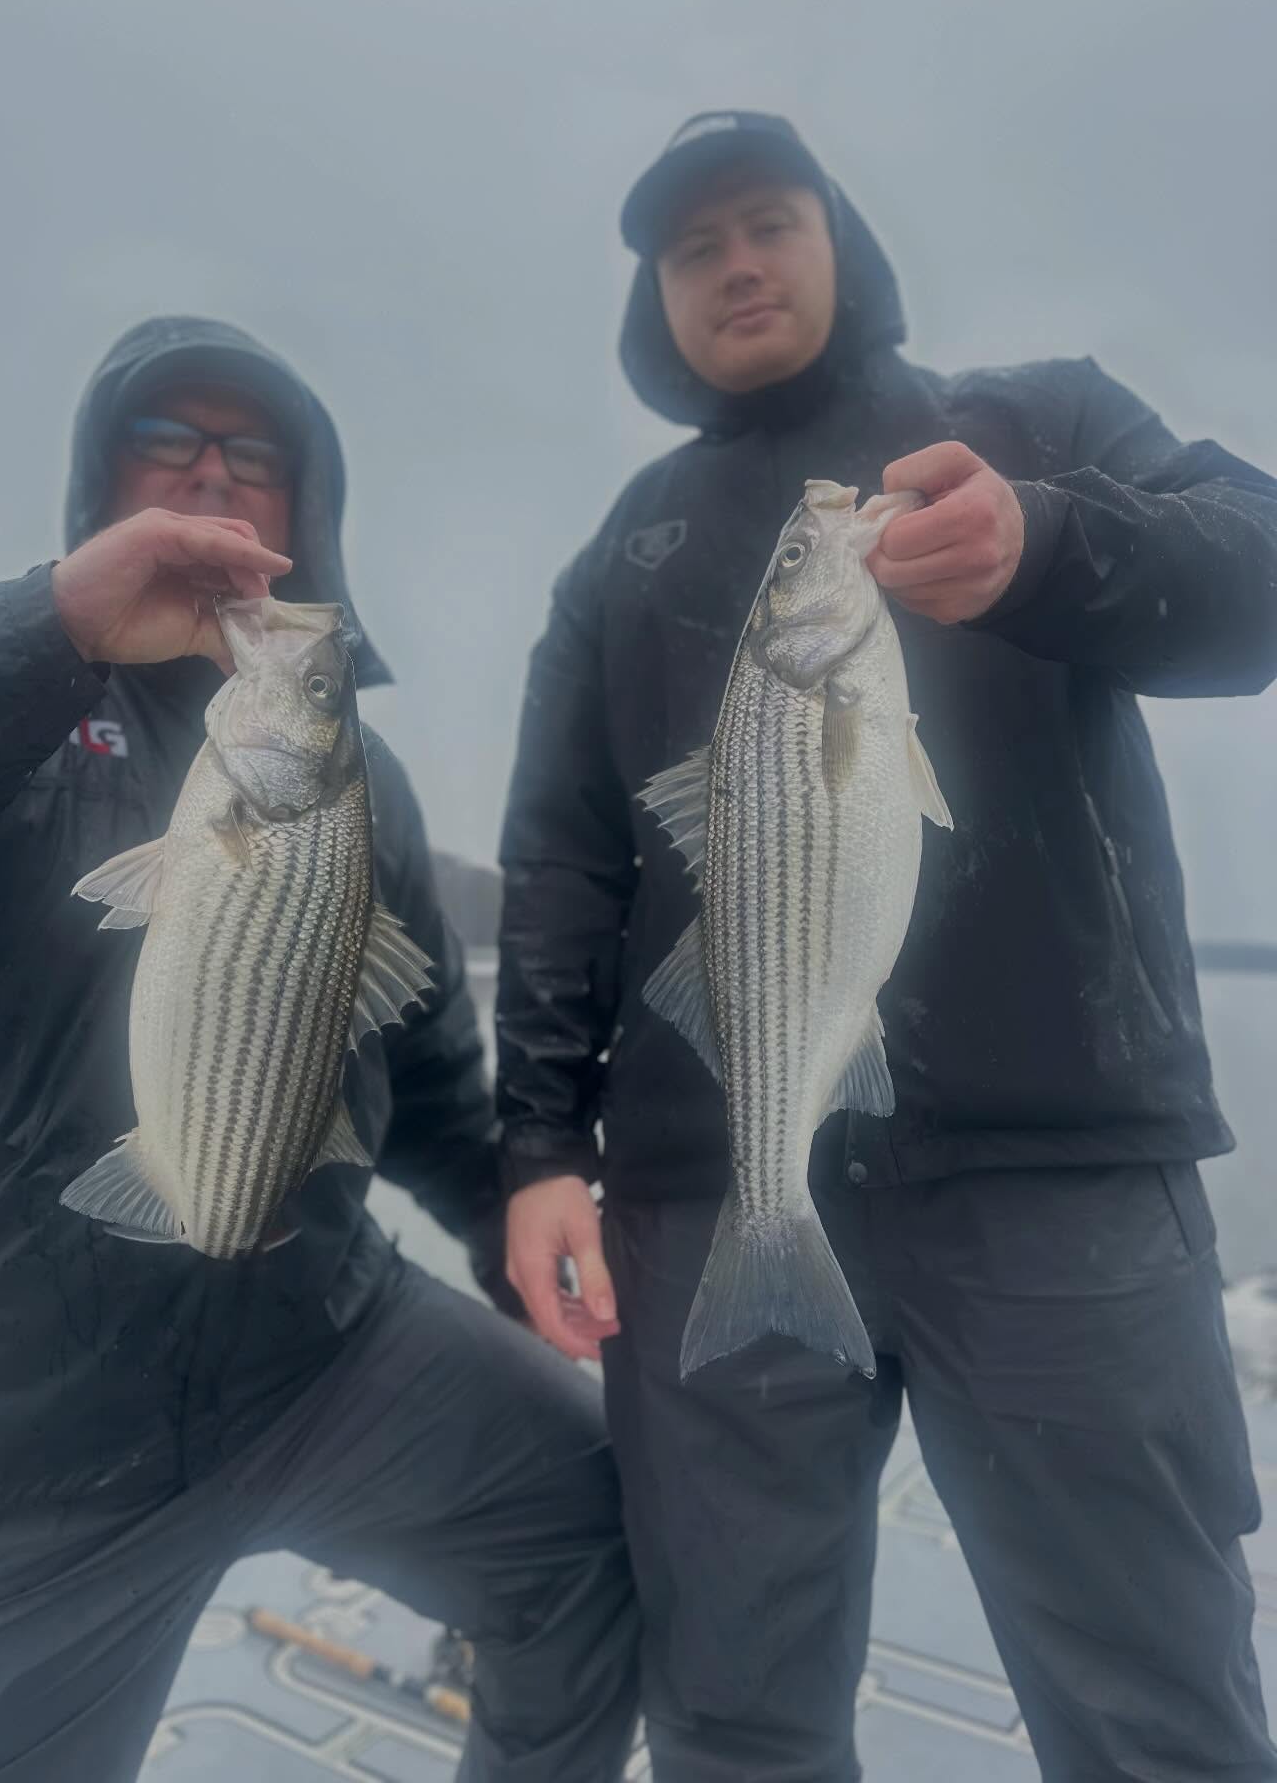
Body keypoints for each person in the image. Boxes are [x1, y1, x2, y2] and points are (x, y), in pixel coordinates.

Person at [498, 112, 1277, 1781]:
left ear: (838, 235)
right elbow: (563, 858)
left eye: (768, 222)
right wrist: (541, 1144)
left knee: (1153, 1694)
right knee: (732, 1705)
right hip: (716, 1180)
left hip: (1058, 1180)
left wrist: (1051, 543)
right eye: (693, 250)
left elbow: (1259, 578)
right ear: (660, 299)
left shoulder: (1033, 421)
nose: (738, 266)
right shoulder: (621, 549)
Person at [0, 316, 639, 1783]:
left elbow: (426, 1076)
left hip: (316, 1355)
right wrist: (54, 629)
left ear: (303, 517)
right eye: (169, 440)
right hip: (2, 1448)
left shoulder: (359, 778)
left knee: (609, 1526)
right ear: (101, 487)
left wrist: (518, 1201)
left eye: (253, 452)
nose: (213, 471)